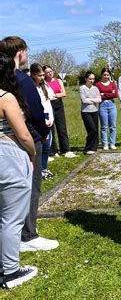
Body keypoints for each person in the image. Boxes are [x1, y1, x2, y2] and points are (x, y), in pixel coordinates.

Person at [0, 36, 59, 252]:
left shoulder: (3, 77)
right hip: (27, 138)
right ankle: (28, 234)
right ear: (20, 52)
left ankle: (14, 234)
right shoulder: (22, 80)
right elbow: (34, 110)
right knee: (31, 188)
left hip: (6, 140)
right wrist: (43, 133)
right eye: (26, 51)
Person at [0, 52, 38, 288]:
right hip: (8, 154)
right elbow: (23, 134)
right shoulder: (6, 98)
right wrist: (32, 153)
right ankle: (10, 270)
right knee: (12, 217)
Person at [44, 65, 76, 158]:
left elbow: (64, 93)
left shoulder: (58, 81)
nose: (50, 73)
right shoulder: (44, 83)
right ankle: (53, 151)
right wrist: (53, 96)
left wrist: (55, 95)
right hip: (49, 105)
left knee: (62, 128)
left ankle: (66, 149)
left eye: (51, 71)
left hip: (59, 105)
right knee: (51, 128)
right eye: (47, 72)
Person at [30, 63, 55, 180]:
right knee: (39, 145)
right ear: (33, 75)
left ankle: (44, 168)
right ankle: (38, 170)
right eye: (40, 76)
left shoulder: (43, 87)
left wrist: (51, 118)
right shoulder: (31, 88)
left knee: (47, 145)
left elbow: (48, 102)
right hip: (38, 117)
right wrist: (43, 119)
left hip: (47, 115)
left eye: (43, 75)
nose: (42, 78)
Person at [96, 68, 118, 150]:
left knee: (113, 126)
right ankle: (105, 144)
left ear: (109, 75)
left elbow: (115, 94)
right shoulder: (98, 84)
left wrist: (104, 94)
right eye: (104, 75)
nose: (106, 76)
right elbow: (98, 95)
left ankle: (112, 143)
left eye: (108, 75)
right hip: (102, 106)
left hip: (112, 105)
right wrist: (109, 93)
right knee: (104, 127)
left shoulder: (112, 84)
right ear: (102, 75)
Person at [79, 71, 101, 154]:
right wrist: (93, 100)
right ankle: (88, 147)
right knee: (92, 129)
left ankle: (93, 147)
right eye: (90, 79)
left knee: (96, 130)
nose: (92, 81)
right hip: (86, 111)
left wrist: (91, 100)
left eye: (93, 79)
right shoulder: (82, 88)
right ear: (86, 79)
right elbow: (84, 100)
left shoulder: (95, 88)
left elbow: (99, 99)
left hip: (94, 110)